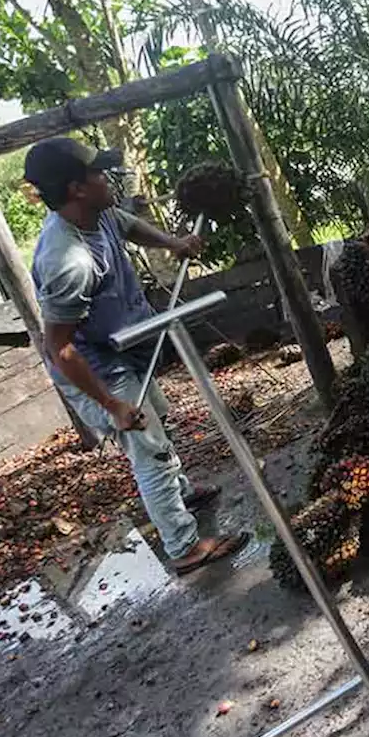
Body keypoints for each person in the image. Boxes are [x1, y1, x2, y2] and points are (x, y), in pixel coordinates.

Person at [25, 137, 249, 575]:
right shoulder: (67, 260)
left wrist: (174, 244)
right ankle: (183, 546)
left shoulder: (99, 211)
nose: (107, 177)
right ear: (76, 189)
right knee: (148, 449)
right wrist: (112, 406)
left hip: (126, 345)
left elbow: (128, 225)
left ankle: (178, 493)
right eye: (97, 172)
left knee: (157, 422)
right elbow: (60, 347)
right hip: (96, 367)